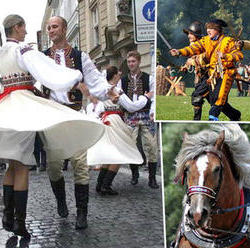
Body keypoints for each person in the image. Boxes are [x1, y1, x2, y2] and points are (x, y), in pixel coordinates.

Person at [0, 15, 104, 240]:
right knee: (26, 166)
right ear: (17, 28)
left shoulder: (1, 52)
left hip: (6, 109)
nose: (26, 33)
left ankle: (9, 217)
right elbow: (48, 73)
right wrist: (74, 77)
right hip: (26, 108)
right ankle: (19, 222)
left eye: (54, 26)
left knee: (13, 164)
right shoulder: (25, 51)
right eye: (24, 28)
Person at [42, 16, 114, 229]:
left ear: (64, 29)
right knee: (53, 166)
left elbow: (95, 80)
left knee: (80, 165)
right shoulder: (43, 57)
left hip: (75, 114)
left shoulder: (80, 56)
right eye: (49, 28)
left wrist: (110, 91)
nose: (51, 30)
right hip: (53, 117)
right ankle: (61, 200)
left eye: (54, 26)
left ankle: (82, 213)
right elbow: (35, 80)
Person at [86, 65, 153, 195]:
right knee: (118, 153)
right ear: (115, 75)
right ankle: (106, 185)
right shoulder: (116, 90)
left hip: (106, 120)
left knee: (110, 154)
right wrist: (146, 97)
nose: (120, 74)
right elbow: (132, 107)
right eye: (118, 73)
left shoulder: (102, 89)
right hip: (115, 120)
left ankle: (100, 185)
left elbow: (99, 107)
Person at [170, 19, 243, 121]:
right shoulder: (206, 40)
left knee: (218, 101)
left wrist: (226, 56)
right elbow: (193, 48)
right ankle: (234, 116)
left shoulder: (228, 41)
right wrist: (179, 52)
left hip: (225, 74)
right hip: (211, 75)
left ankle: (214, 119)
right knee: (204, 98)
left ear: (217, 30)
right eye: (207, 29)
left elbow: (239, 55)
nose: (208, 31)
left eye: (211, 29)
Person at [119, 50, 159, 189]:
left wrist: (153, 112)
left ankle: (152, 178)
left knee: (152, 146)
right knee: (131, 145)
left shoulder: (149, 78)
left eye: (133, 61)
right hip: (130, 116)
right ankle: (134, 174)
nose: (131, 64)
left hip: (147, 115)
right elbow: (122, 101)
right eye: (129, 62)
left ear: (139, 62)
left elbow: (154, 98)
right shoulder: (122, 81)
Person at [181, 21, 210, 120]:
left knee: (197, 98)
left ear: (196, 36)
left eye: (191, 34)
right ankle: (235, 115)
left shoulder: (203, 45)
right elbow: (191, 58)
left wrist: (191, 62)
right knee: (216, 103)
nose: (188, 36)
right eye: (188, 33)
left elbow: (203, 60)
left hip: (208, 76)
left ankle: (196, 120)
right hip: (199, 76)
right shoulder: (192, 45)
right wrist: (186, 65)